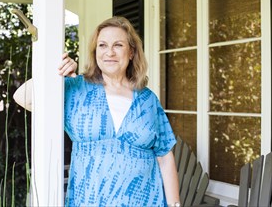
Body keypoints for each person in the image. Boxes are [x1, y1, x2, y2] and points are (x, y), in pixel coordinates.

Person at [14, 16, 180, 207]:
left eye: (118, 45)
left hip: (148, 200)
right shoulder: (76, 89)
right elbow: (22, 97)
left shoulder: (147, 99)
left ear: (132, 52)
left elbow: (165, 157)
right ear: (95, 52)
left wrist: (175, 204)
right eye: (102, 45)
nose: (109, 52)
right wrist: (55, 72)